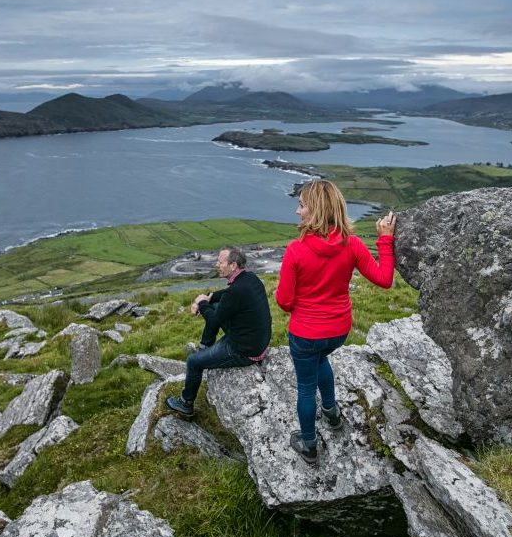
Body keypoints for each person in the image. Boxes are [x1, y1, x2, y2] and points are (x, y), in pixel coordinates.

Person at [275, 180, 396, 465]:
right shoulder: (351, 244)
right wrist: (386, 239)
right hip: (339, 331)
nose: (297, 211)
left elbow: (284, 302)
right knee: (320, 362)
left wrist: (298, 303)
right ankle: (331, 413)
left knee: (305, 388)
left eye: (302, 205)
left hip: (305, 333)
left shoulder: (296, 250)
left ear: (315, 210)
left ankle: (309, 445)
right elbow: (385, 279)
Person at [166, 247, 272, 417]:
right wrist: (209, 298)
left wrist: (201, 304)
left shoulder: (236, 290)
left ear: (233, 265)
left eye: (220, 262)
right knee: (214, 306)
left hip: (244, 350)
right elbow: (226, 295)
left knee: (193, 362)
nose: (217, 265)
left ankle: (186, 404)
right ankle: (205, 346)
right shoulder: (250, 278)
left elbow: (215, 319)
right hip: (256, 340)